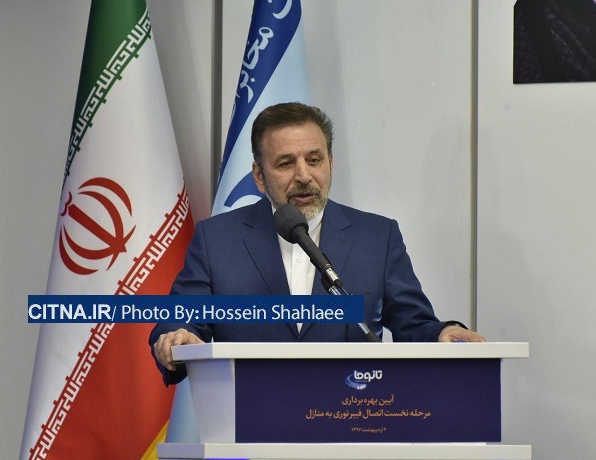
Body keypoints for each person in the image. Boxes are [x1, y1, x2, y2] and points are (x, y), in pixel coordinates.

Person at [150, 102, 485, 385]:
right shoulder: (217, 239)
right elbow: (178, 321)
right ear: (259, 176)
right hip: (249, 421)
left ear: (331, 163)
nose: (303, 175)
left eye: (314, 160)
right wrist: (177, 338)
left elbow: (413, 323)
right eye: (285, 163)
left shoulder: (377, 236)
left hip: (353, 418)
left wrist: (442, 333)